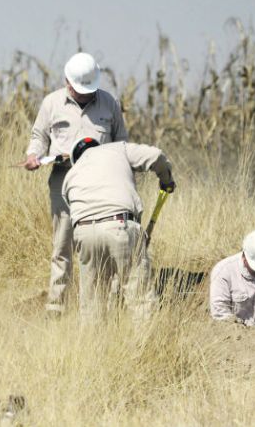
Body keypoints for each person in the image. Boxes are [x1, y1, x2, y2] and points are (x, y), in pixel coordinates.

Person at [23, 52, 128, 315]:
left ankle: (103, 306)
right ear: (67, 81)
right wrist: (33, 155)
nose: (82, 94)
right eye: (77, 89)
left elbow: (121, 143)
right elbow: (39, 136)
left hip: (102, 185)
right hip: (64, 182)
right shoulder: (51, 103)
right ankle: (56, 307)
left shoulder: (109, 104)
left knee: (102, 243)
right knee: (63, 244)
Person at [62, 136, 175, 323]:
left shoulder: (70, 177)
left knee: (91, 307)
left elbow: (77, 211)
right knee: (140, 301)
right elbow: (156, 156)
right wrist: (166, 179)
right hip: (120, 225)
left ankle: (90, 350)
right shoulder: (117, 149)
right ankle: (146, 349)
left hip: (83, 232)